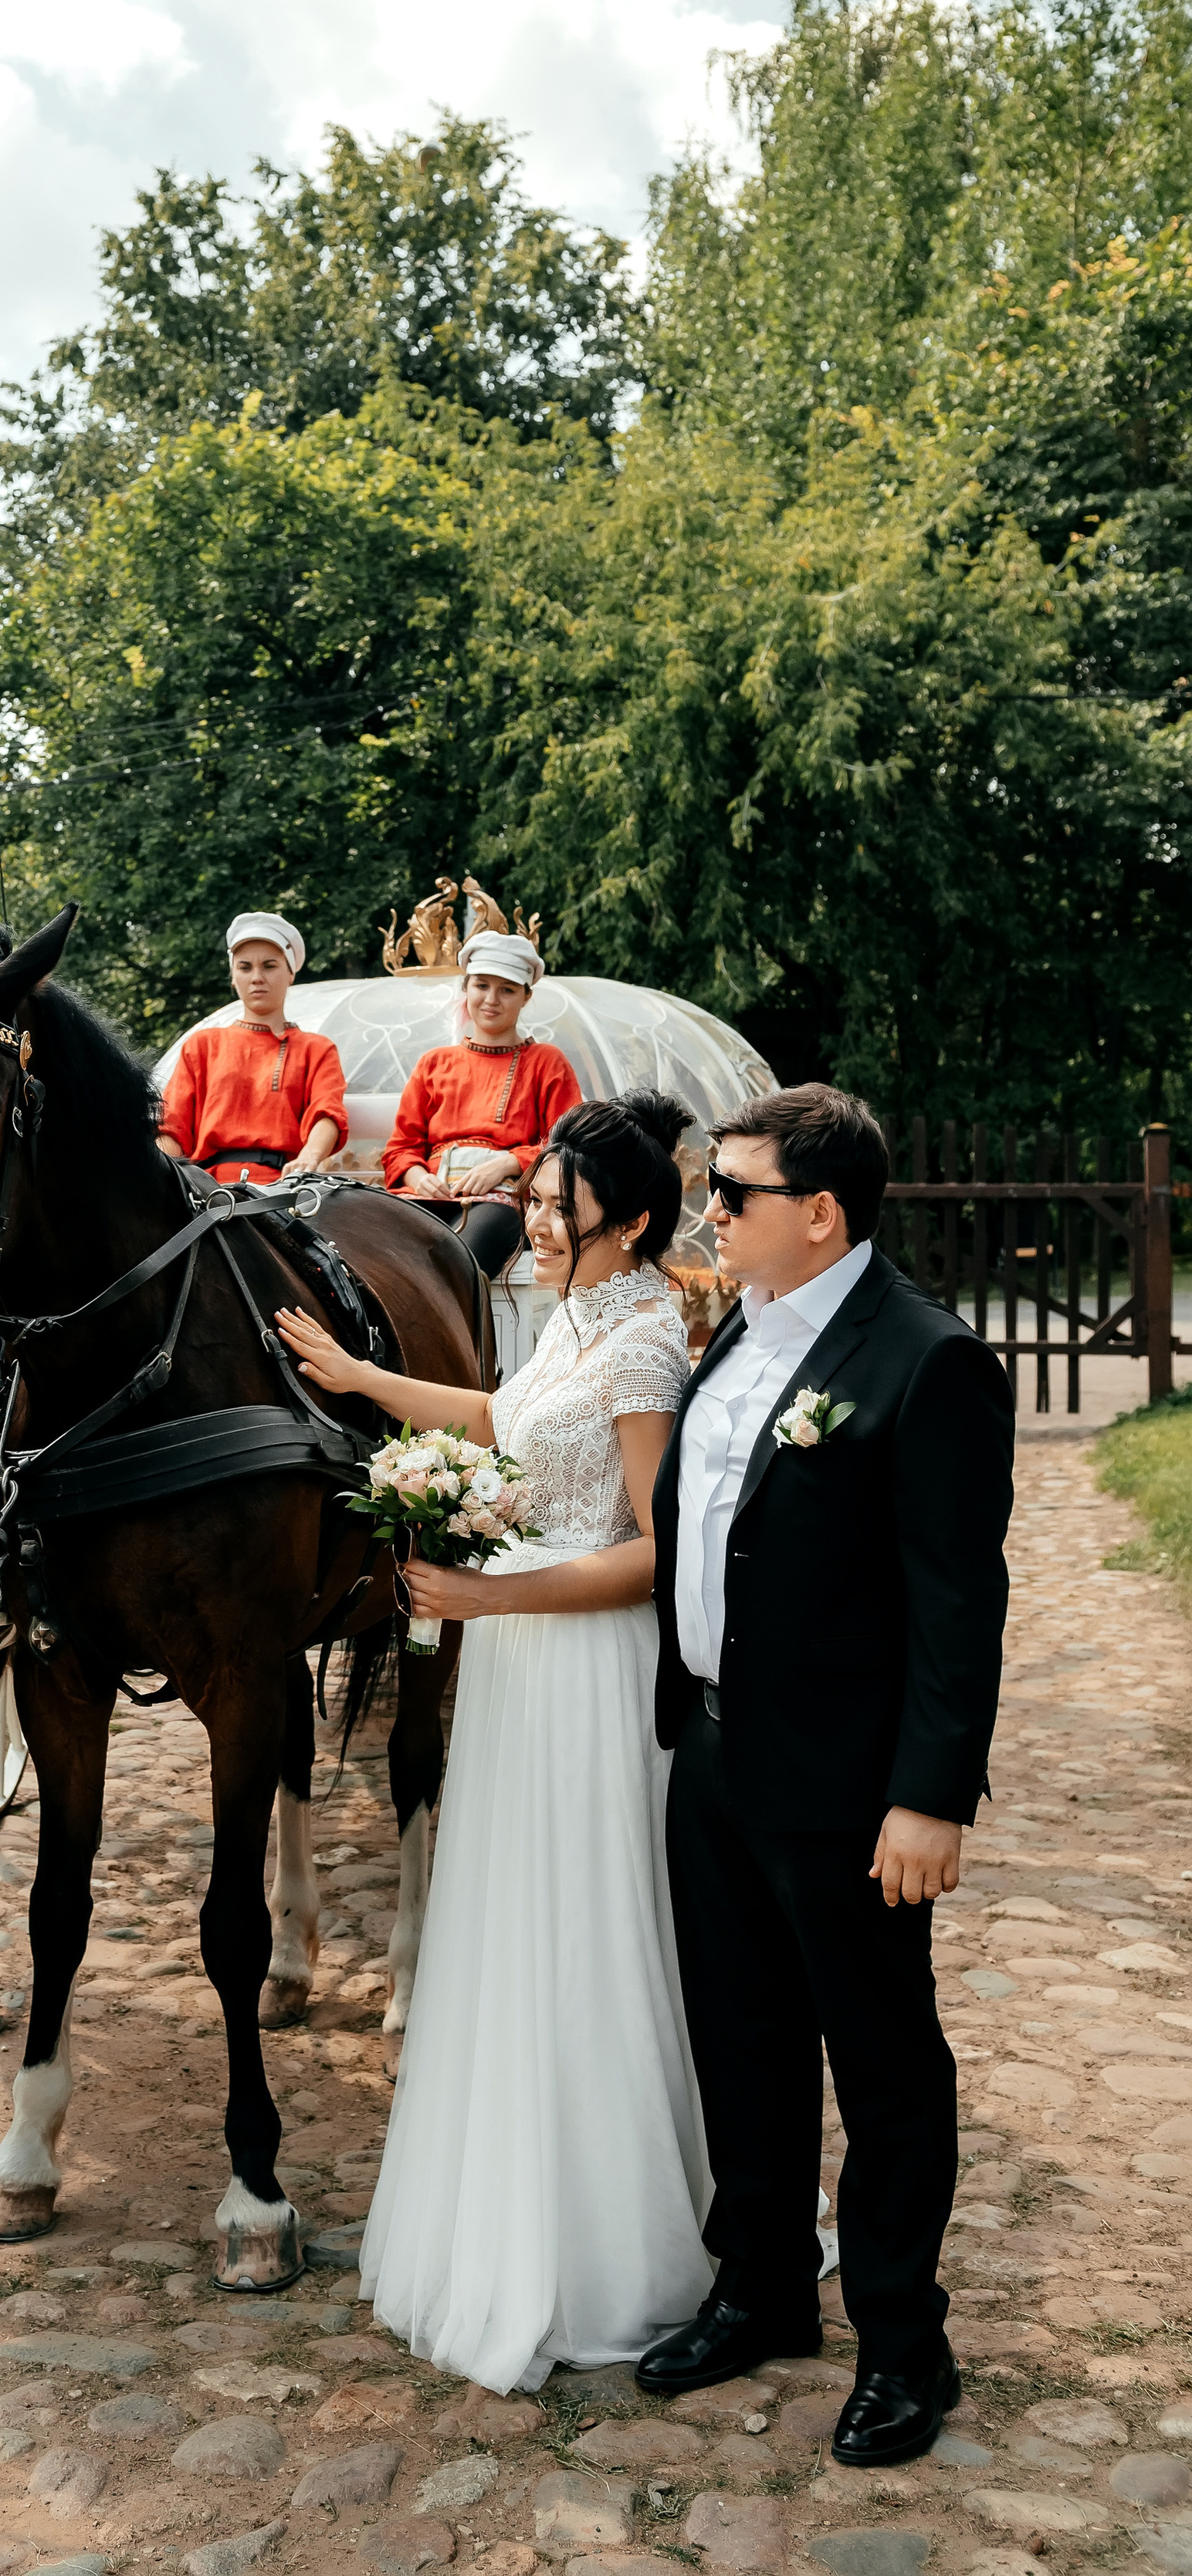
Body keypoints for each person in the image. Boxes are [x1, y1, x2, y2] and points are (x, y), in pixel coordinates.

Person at [277, 1094, 713, 2392]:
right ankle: (499, 2204)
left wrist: (488, 1598)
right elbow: (494, 1421)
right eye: (532, 1190)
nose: (530, 1214)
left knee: (587, 1931)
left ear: (628, 1221)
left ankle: (610, 2248)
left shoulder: (644, 1350)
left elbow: (652, 1555)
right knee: (513, 1930)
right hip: (522, 1675)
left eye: (557, 1199)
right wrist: (361, 1383)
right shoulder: (571, 1317)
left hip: (582, 1668)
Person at [638, 1085, 1011, 2467]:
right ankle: (764, 2293)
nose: (708, 1212)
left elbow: (958, 1600)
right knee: (739, 2037)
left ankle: (907, 2344)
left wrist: (931, 1795)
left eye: (729, 1193)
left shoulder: (928, 1361)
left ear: (821, 1212)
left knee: (885, 2061)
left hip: (853, 1787)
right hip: (718, 1749)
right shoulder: (736, 1326)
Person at [383, 929, 580, 1273]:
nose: (491, 999)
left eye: (507, 989)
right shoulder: (434, 1062)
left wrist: (507, 1163)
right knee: (368, 1248)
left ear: (526, 996)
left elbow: (569, 1146)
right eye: (482, 985)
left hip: (504, 1203)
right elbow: (400, 1149)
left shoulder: (547, 1061)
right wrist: (417, 1177)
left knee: (458, 1262)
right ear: (466, 988)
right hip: (429, 1197)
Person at [157, 911, 347, 1188]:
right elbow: (172, 1127)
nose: (257, 977)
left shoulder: (317, 1049)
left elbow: (328, 1113)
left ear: (291, 973)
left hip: (285, 1188)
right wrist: (159, 1180)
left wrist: (309, 1157)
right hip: (206, 1191)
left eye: (269, 966)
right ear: (233, 977)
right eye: (245, 967)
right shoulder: (202, 1045)